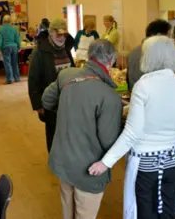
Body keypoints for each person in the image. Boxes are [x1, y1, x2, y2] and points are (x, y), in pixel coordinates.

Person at [89, 35, 175, 219]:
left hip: (145, 164)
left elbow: (132, 132)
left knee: (144, 212)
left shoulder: (143, 86)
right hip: (171, 161)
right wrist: (167, 135)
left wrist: (105, 162)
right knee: (168, 210)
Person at [42, 40, 122, 219]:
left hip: (62, 159)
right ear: (110, 63)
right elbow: (109, 140)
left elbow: (47, 100)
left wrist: (69, 111)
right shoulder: (109, 96)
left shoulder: (66, 75)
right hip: (88, 168)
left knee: (67, 209)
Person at [28, 18, 75, 152]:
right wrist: (37, 104)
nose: (61, 38)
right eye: (58, 34)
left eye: (64, 35)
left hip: (68, 100)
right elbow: (33, 79)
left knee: (67, 130)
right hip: (50, 101)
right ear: (50, 33)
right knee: (53, 132)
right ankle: (54, 159)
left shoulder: (67, 48)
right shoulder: (39, 52)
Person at [127, 19, 171, 91]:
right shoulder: (159, 52)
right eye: (168, 35)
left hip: (136, 94)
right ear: (160, 35)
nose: (169, 39)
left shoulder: (134, 51)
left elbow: (129, 79)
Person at [0, 15, 21, 84]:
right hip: (14, 47)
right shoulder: (14, 29)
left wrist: (0, 48)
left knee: (7, 63)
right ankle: (17, 78)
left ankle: (9, 79)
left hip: (6, 47)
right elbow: (18, 39)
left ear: (3, 21)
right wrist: (19, 47)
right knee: (15, 63)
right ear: (10, 21)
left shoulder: (1, 29)